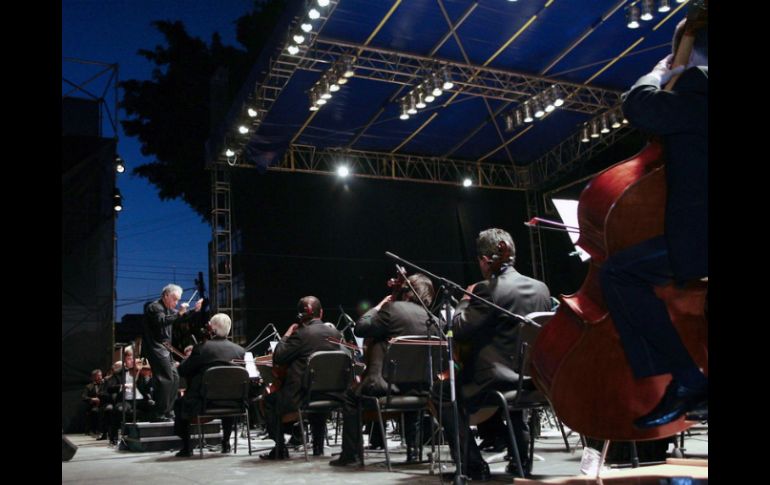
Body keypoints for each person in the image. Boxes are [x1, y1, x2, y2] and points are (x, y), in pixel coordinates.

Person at [600, 18, 708, 429]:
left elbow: (640, 105)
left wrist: (661, 72)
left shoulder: (699, 86)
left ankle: (687, 380)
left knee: (619, 274)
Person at [438, 228, 551, 479]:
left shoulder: (486, 290)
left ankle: (473, 467)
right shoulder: (541, 289)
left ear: (486, 260)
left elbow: (458, 328)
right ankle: (520, 461)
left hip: (496, 382)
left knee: (444, 393)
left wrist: (465, 298)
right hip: (533, 379)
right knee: (510, 397)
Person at [330, 273, 440, 467]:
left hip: (388, 388)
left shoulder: (392, 310)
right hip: (422, 390)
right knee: (410, 384)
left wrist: (379, 306)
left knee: (350, 398)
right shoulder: (434, 320)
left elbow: (361, 328)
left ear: (406, 292)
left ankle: (351, 454)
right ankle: (413, 452)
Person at [260, 296, 343, 460]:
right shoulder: (335, 333)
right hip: (331, 394)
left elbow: (279, 357)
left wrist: (287, 335)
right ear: (322, 312)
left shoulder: (301, 334)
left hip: (301, 397)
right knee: (316, 396)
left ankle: (280, 448)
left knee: (268, 400)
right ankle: (318, 448)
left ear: (300, 316)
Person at [172, 313, 245, 457]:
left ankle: (187, 447)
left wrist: (190, 357)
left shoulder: (202, 348)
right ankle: (226, 442)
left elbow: (182, 370)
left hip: (204, 403)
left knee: (179, 403)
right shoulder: (240, 351)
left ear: (211, 328)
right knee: (227, 392)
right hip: (234, 404)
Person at [143, 284, 203, 422]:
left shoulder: (168, 309)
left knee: (175, 377)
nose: (176, 303)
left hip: (165, 348)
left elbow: (179, 319)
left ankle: (168, 411)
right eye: (174, 299)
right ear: (166, 296)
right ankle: (159, 413)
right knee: (166, 378)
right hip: (156, 347)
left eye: (177, 300)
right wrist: (179, 312)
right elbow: (162, 321)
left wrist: (195, 310)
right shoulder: (154, 307)